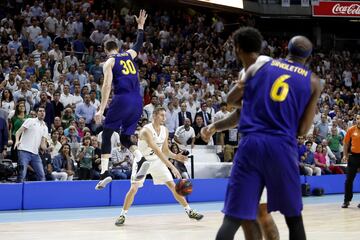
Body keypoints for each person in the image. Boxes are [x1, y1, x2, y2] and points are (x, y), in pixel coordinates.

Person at [208, 28, 321, 240]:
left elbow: (231, 100)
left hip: (250, 145)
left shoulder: (260, 65)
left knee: (232, 219)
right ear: (309, 57)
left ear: (286, 49)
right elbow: (303, 130)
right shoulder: (314, 82)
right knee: (294, 219)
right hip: (282, 147)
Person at [201, 32, 279, 240]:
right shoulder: (262, 67)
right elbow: (241, 112)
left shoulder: (259, 67)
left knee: (241, 214)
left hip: (256, 147)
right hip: (274, 149)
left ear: (237, 48)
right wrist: (215, 127)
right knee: (261, 212)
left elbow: (231, 100)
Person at [114, 107, 203, 226]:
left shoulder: (165, 130)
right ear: (155, 115)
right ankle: (122, 215)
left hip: (157, 162)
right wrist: (172, 166)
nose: (164, 118)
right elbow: (157, 151)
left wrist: (176, 156)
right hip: (142, 161)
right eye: (161, 115)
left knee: (172, 185)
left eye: (165, 115)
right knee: (134, 188)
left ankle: (189, 211)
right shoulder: (146, 131)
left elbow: (165, 150)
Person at [94, 10, 148, 190]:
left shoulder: (108, 62)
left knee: (107, 134)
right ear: (117, 47)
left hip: (122, 99)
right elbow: (139, 44)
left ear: (105, 50)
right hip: (138, 101)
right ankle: (139, 158)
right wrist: (140, 26)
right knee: (125, 137)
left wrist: (101, 109)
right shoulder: (129, 55)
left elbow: (107, 86)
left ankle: (104, 173)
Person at [15, 107, 49, 182]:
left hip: (35, 154)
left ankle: (40, 193)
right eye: (40, 111)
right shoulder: (30, 120)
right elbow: (18, 132)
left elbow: (42, 145)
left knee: (42, 175)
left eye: (43, 111)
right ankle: (18, 192)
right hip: (24, 150)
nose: (42, 112)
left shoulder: (45, 128)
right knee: (22, 175)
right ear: (37, 113)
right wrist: (17, 141)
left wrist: (48, 149)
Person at [342, 114, 360, 208]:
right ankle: (346, 200)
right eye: (357, 118)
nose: (359, 120)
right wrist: (345, 155)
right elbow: (346, 143)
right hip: (353, 157)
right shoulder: (351, 129)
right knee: (349, 180)